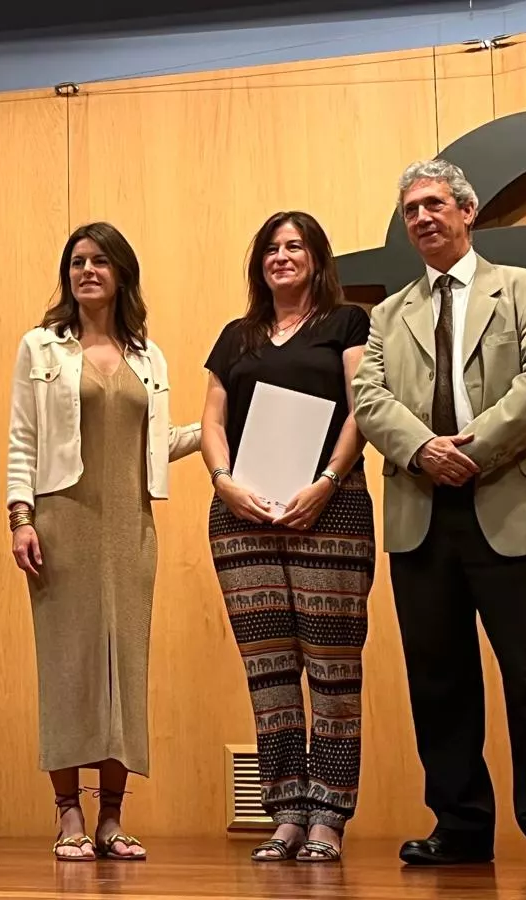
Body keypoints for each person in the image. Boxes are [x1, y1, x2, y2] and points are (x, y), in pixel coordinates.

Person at [351, 160, 526, 870]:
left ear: (467, 210)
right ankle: (459, 823)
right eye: (410, 212)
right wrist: (424, 448)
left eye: (433, 205)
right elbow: (370, 401)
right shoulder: (385, 317)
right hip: (421, 511)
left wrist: (471, 450)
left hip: (506, 499)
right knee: (439, 675)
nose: (422, 219)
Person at [5, 222, 201, 862]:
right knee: (67, 666)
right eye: (76, 262)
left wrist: (217, 429)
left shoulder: (150, 355)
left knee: (126, 667)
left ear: (121, 273)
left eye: (99, 261)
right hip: (63, 519)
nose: (86, 270)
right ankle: (68, 815)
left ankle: (112, 818)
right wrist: (20, 516)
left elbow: (158, 441)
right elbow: (22, 439)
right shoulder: (41, 349)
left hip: (131, 525)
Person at [199, 212, 375, 864]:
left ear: (316, 258)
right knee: (269, 673)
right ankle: (287, 815)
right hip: (243, 520)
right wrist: (223, 481)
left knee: (332, 671)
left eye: (294, 246)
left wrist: (326, 482)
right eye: (272, 247)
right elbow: (212, 419)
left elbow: (363, 409)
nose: (282, 256)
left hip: (329, 513)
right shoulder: (236, 336)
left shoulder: (348, 323)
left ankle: (329, 816)